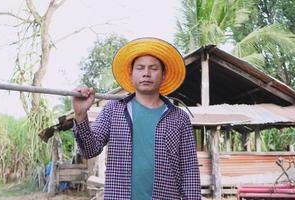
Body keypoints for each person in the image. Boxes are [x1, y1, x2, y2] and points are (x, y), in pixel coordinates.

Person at [72, 37, 201, 199]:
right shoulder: (113, 110)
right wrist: (80, 115)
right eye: (140, 68)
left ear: (163, 75)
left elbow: (189, 171)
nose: (146, 73)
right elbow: (90, 150)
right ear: (131, 74)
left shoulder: (179, 118)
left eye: (153, 68)